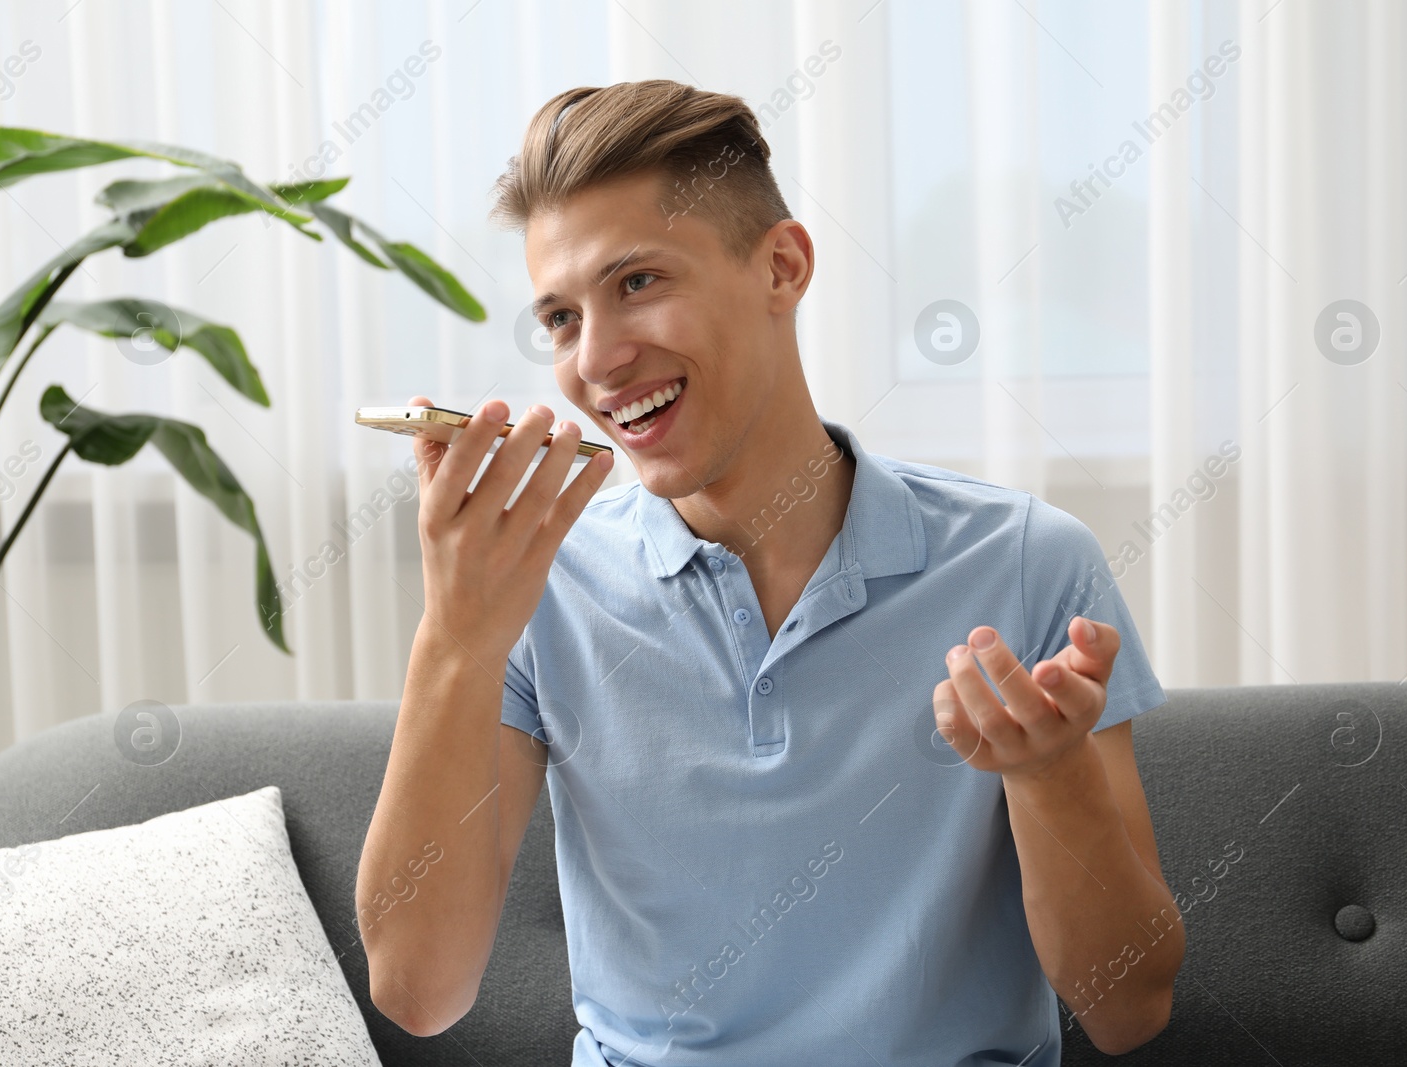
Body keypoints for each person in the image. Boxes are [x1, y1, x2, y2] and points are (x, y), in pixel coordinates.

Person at [357, 79, 1183, 1066]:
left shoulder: (1027, 562)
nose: (600, 360)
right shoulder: (541, 586)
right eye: (561, 318)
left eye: (636, 283)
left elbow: (1128, 1007)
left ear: (781, 267)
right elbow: (417, 989)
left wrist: (1048, 774)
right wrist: (457, 634)